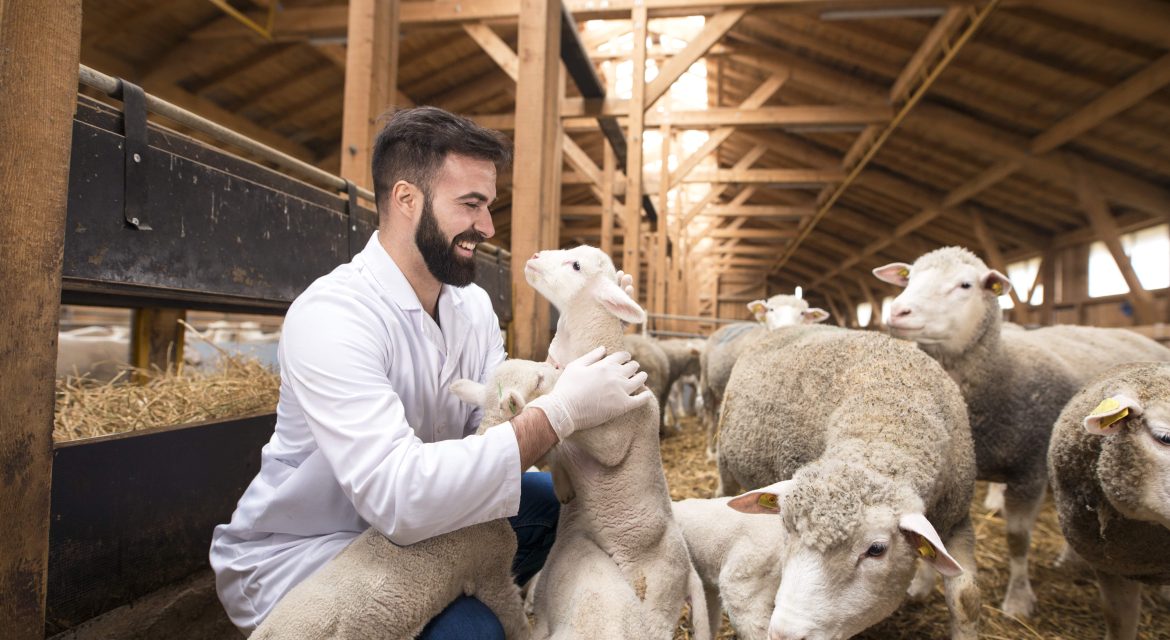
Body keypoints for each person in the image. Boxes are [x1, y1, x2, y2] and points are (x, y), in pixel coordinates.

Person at [209, 106, 652, 636]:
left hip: (430, 530)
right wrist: (562, 411)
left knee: (564, 507)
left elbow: (496, 421)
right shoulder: (334, 315)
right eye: (470, 205)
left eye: (488, 206)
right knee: (475, 633)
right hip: (318, 550)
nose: (487, 227)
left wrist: (578, 332)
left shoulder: (472, 308)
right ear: (405, 199)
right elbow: (398, 497)